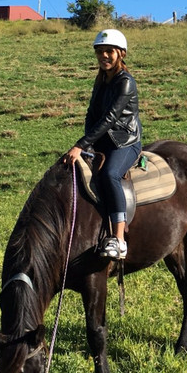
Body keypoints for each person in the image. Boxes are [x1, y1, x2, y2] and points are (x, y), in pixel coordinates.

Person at [66, 29, 141, 259]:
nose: (104, 56)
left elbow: (110, 118)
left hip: (124, 142)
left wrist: (80, 145)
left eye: (109, 51)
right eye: (100, 52)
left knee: (109, 174)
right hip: (102, 142)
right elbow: (92, 114)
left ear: (122, 54)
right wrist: (88, 143)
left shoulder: (125, 82)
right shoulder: (101, 80)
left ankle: (119, 240)